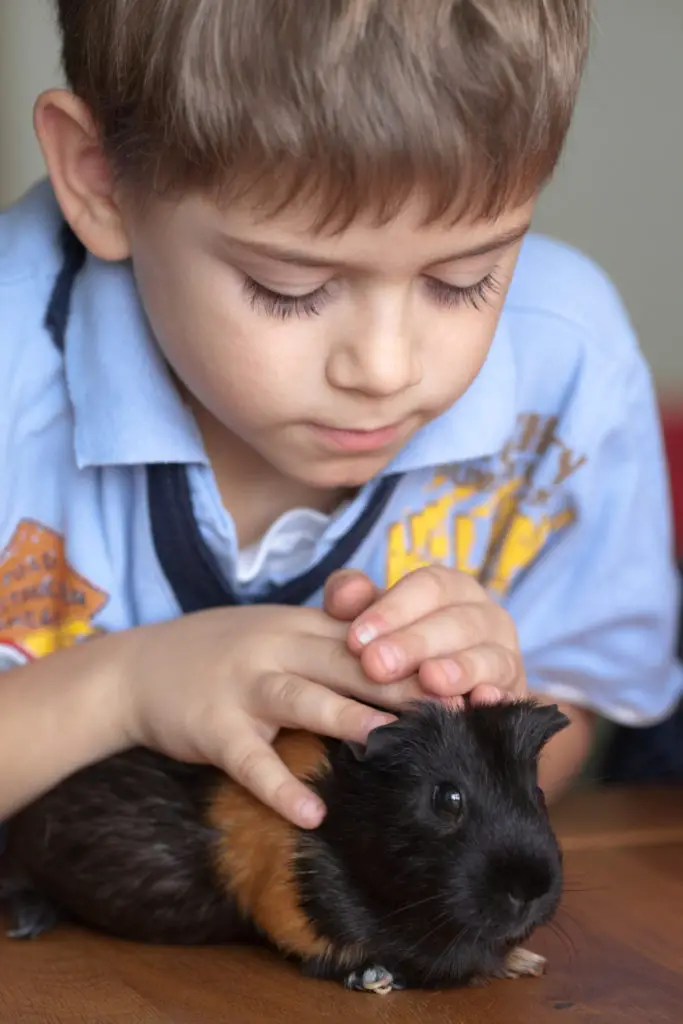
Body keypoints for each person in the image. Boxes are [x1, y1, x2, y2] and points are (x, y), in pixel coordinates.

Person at [0, 0, 680, 836]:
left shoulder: (569, 363)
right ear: (100, 179)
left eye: (466, 277)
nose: (385, 368)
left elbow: (581, 697)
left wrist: (487, 699)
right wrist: (123, 690)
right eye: (292, 289)